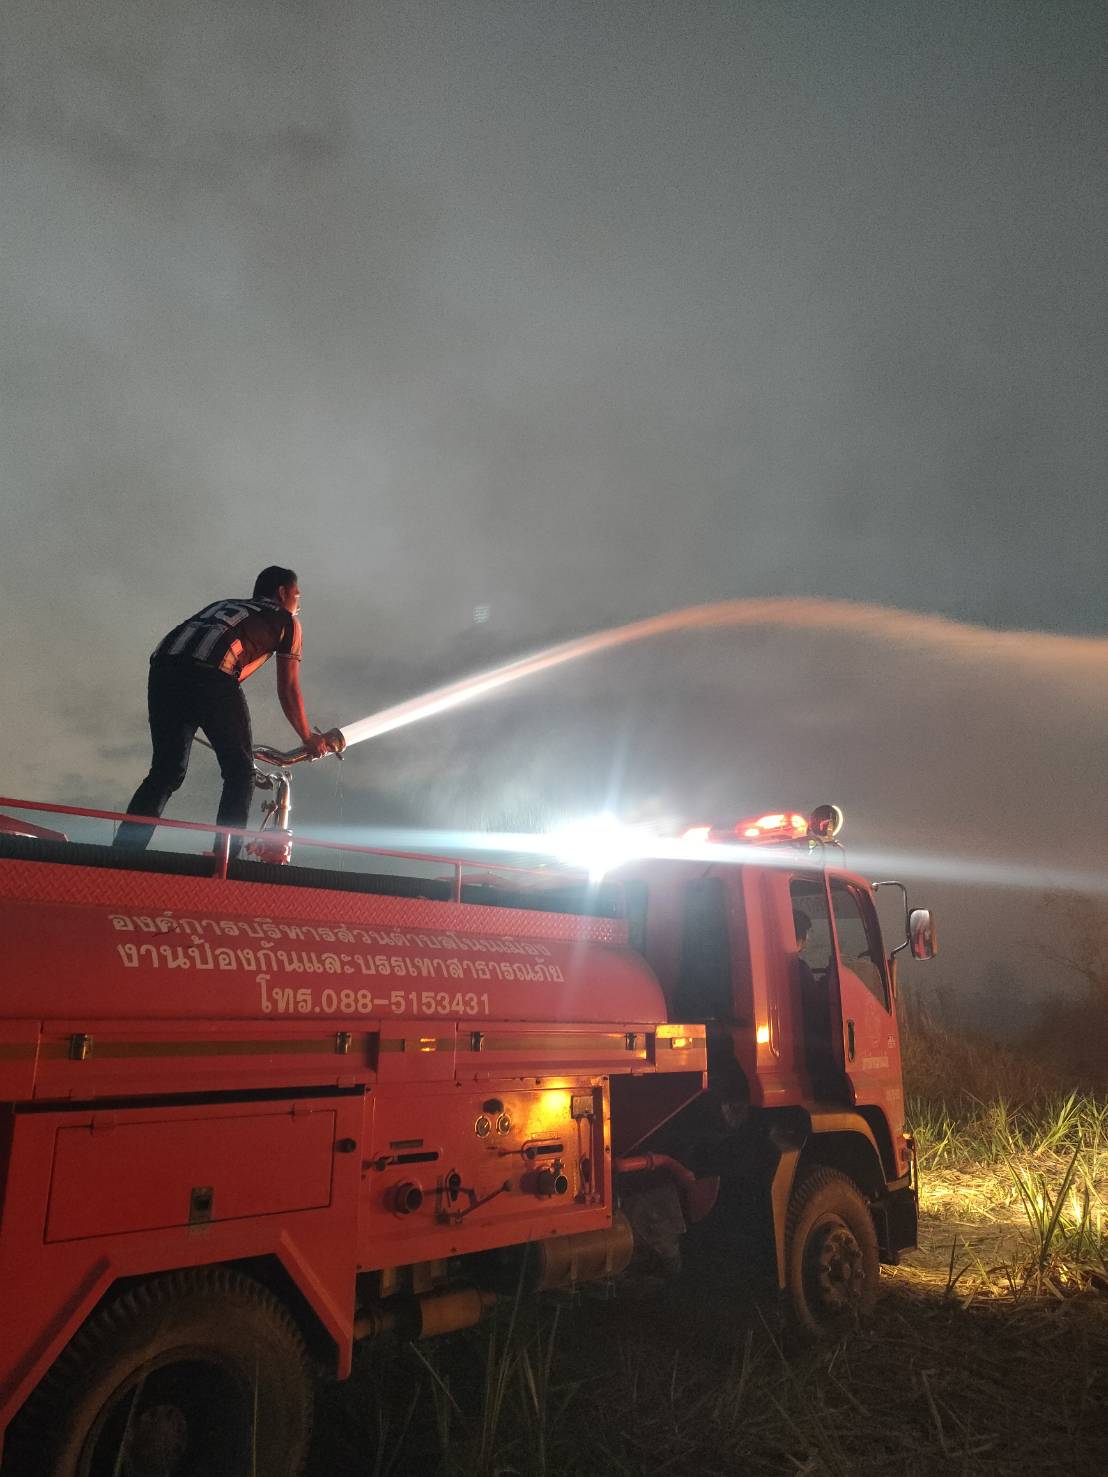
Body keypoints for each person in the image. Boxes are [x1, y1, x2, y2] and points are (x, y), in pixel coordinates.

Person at [114, 566, 332, 856]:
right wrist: (308, 737)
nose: (298, 604)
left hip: (164, 668)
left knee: (166, 771)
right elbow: (289, 688)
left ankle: (123, 852)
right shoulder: (286, 621)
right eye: (297, 596)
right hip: (212, 673)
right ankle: (224, 859)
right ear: (282, 593)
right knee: (240, 772)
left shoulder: (225, 605)